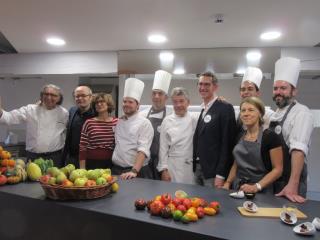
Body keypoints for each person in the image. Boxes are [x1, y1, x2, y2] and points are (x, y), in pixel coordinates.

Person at [269, 57, 314, 203]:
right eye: (276, 88)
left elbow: (298, 150)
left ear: (294, 91)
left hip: (291, 180)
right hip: (275, 178)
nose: (278, 92)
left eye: (283, 88)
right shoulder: (274, 114)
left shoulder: (301, 112)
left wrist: (292, 185)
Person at [223, 97, 283, 193]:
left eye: (251, 110)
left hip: (262, 190)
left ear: (260, 113)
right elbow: (236, 163)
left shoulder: (270, 137)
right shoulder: (240, 136)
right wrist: (228, 182)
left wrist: (256, 186)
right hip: (239, 188)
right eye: (243, 111)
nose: (246, 114)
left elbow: (278, 170)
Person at [0, 84, 68, 167]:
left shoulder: (64, 113)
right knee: (33, 180)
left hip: (55, 157)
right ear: (41, 96)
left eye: (53, 95)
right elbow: (9, 118)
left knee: (55, 179)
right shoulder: (30, 109)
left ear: (59, 98)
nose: (49, 97)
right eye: (46, 94)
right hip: (33, 156)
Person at [193, 72, 237, 188]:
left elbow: (227, 144)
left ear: (215, 87)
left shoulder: (225, 108)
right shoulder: (204, 108)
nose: (202, 88)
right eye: (200, 84)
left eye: (207, 84)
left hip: (213, 172)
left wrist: (221, 174)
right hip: (198, 168)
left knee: (212, 204)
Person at [112, 78, 154, 180]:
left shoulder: (144, 123)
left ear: (138, 105)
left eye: (130, 102)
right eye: (124, 101)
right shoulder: (119, 122)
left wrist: (134, 171)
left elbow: (143, 149)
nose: (126, 104)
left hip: (135, 171)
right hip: (116, 170)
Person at [157, 87, 197, 184]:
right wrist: (164, 170)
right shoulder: (167, 121)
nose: (178, 105)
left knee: (190, 196)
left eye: (181, 101)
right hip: (172, 166)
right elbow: (163, 148)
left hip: (190, 166)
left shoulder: (194, 118)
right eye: (175, 102)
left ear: (188, 102)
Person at [140, 70, 172, 180]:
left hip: (165, 163)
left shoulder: (172, 114)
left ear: (166, 97)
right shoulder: (142, 115)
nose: (156, 96)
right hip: (145, 162)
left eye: (160, 93)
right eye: (154, 93)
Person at [79, 93, 118, 170]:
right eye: (96, 103)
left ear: (108, 104)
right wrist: (82, 168)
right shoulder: (89, 122)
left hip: (111, 163)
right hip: (92, 163)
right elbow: (82, 147)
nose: (99, 104)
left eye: (102, 101)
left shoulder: (117, 122)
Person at [62, 86, 96, 168]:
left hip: (90, 159)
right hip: (72, 158)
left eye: (83, 95)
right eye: (77, 96)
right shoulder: (72, 111)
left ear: (90, 97)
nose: (80, 98)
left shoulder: (97, 113)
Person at [235, 67, 274, 131]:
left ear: (257, 93)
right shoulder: (236, 113)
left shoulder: (269, 115)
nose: (246, 92)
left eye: (250, 89)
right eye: (243, 89)